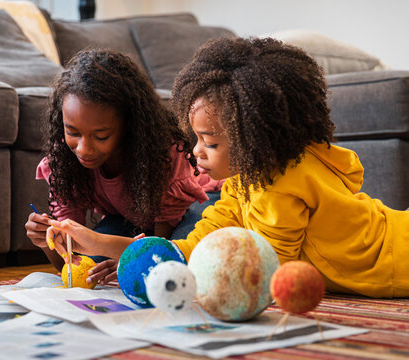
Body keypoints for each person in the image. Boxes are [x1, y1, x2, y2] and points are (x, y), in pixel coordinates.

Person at [48, 37, 409, 298]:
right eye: (198, 138)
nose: (197, 152)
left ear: (255, 139)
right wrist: (113, 246)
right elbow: (196, 245)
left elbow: (264, 270)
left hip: (397, 258)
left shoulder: (282, 186)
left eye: (211, 142)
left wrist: (123, 251)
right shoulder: (243, 183)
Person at [25, 49, 223, 284]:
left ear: (128, 128)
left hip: (199, 205)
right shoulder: (65, 161)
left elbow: (160, 251)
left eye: (101, 136)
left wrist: (131, 260)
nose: (84, 149)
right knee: (93, 262)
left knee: (176, 263)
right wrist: (46, 242)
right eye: (73, 132)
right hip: (135, 221)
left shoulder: (160, 153)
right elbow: (70, 263)